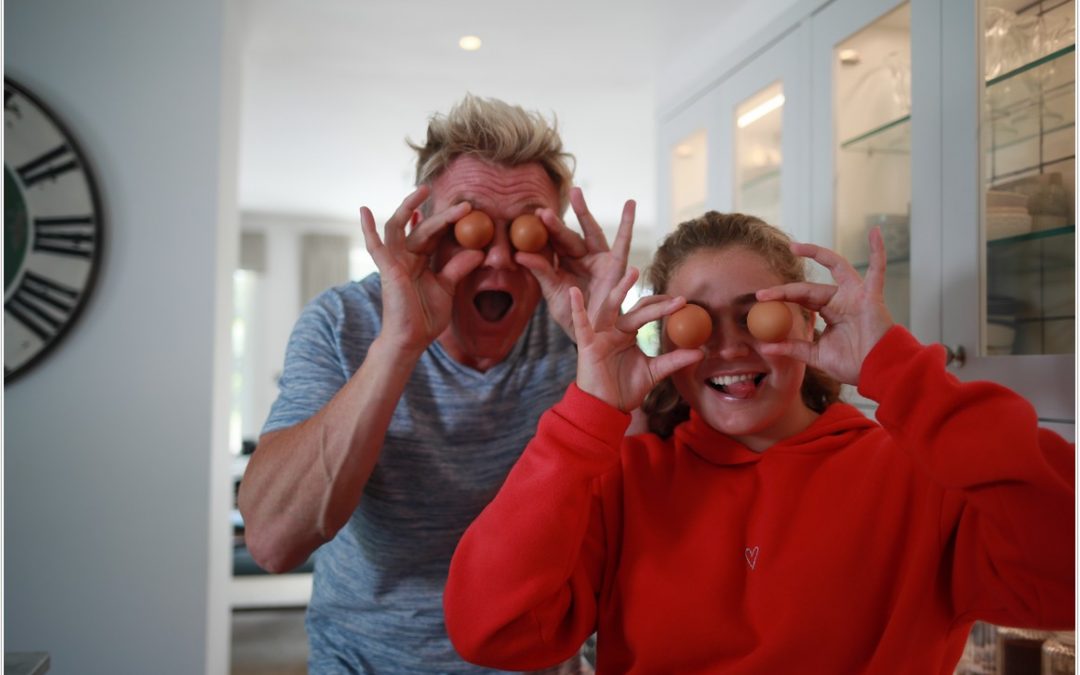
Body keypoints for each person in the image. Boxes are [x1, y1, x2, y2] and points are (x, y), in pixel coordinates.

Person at [443, 211, 1075, 674]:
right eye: (696, 320)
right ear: (665, 341)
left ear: (809, 320)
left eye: (754, 314)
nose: (727, 347)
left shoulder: (922, 474)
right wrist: (587, 416)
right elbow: (493, 631)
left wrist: (899, 371)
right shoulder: (626, 479)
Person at [238, 93, 637, 673]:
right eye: (470, 226)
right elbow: (275, 541)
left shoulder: (578, 340)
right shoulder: (344, 323)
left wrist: (600, 345)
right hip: (365, 662)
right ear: (422, 228)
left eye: (526, 230)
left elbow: (653, 514)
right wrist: (398, 344)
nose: (499, 258)